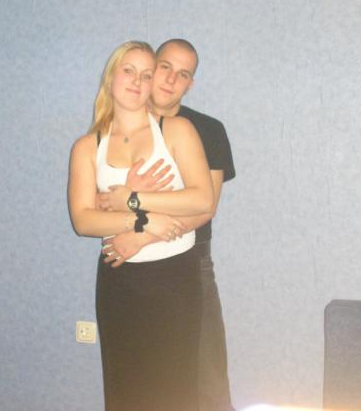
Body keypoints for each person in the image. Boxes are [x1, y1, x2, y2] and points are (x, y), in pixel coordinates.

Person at [68, 40, 215, 411]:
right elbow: (83, 220)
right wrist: (145, 220)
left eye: (146, 75)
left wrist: (132, 199)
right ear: (111, 77)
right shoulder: (87, 146)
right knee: (125, 390)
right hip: (118, 280)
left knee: (175, 391)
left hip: (175, 278)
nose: (137, 81)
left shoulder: (177, 130)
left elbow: (202, 200)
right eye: (128, 71)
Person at [99, 38, 236, 411]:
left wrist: (141, 235)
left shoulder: (207, 129)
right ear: (151, 68)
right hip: (127, 268)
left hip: (190, 261)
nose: (172, 79)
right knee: (135, 376)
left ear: (190, 84)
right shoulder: (117, 125)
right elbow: (100, 201)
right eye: (165, 67)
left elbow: (205, 207)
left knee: (204, 375)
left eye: (184, 74)